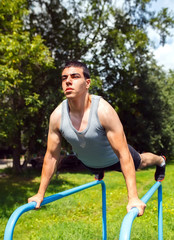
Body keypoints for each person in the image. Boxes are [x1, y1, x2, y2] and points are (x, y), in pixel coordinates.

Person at [28, 60, 166, 216]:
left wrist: (133, 197)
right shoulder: (57, 116)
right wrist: (40, 194)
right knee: (91, 166)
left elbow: (123, 154)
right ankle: (99, 170)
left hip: (115, 159)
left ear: (87, 83)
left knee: (142, 161)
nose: (68, 81)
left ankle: (160, 160)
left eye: (74, 76)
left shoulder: (103, 111)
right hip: (90, 163)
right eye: (64, 78)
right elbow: (52, 156)